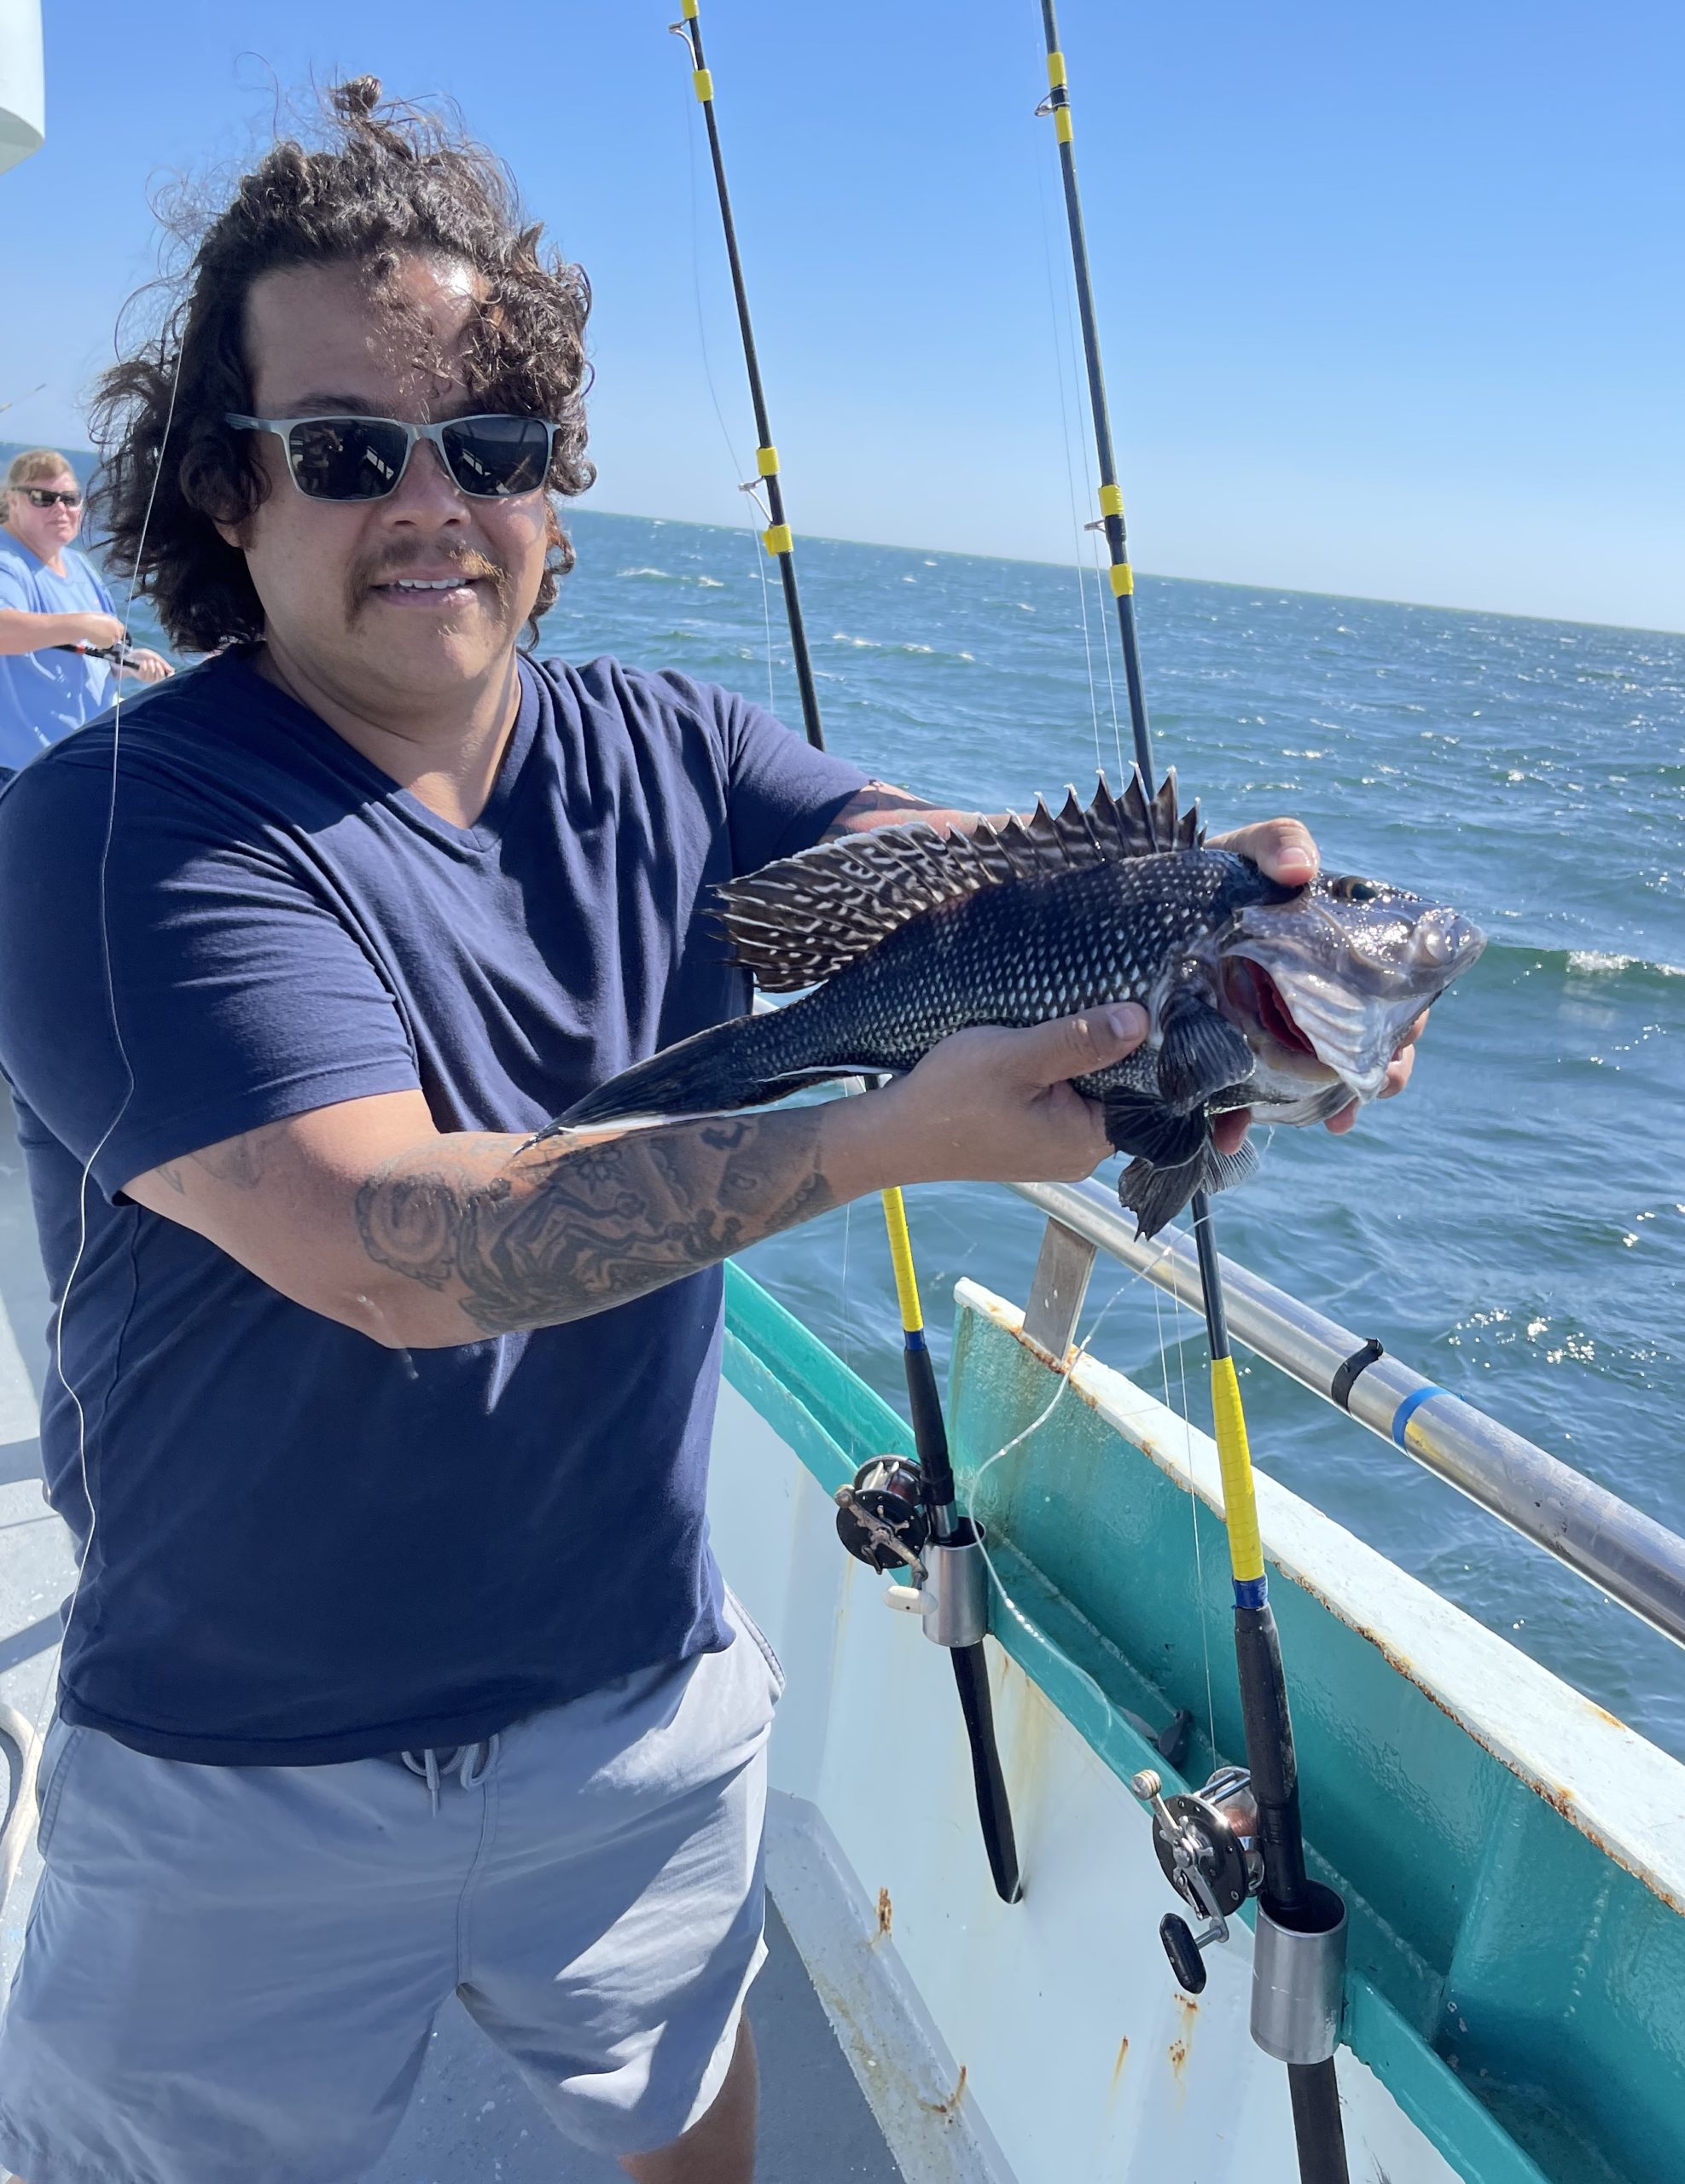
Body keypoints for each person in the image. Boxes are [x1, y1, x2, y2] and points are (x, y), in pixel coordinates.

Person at [0, 82, 1418, 2184]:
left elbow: (940, 873)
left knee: (686, 2112)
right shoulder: (113, 826)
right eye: (351, 450)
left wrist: (1225, 949)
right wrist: (890, 1140)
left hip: (634, 1694)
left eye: (493, 448)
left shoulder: (669, 744)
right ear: (226, 486)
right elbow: (390, 1245)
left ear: (554, 487)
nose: (434, 504)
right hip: (237, 1771)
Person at [0, 447, 171, 781]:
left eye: (70, 499)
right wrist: (83, 624)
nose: (60, 509)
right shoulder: (7, 563)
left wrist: (130, 662)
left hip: (78, 760)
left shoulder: (77, 564)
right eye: (43, 498)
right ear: (13, 500)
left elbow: (97, 652)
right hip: (20, 773)